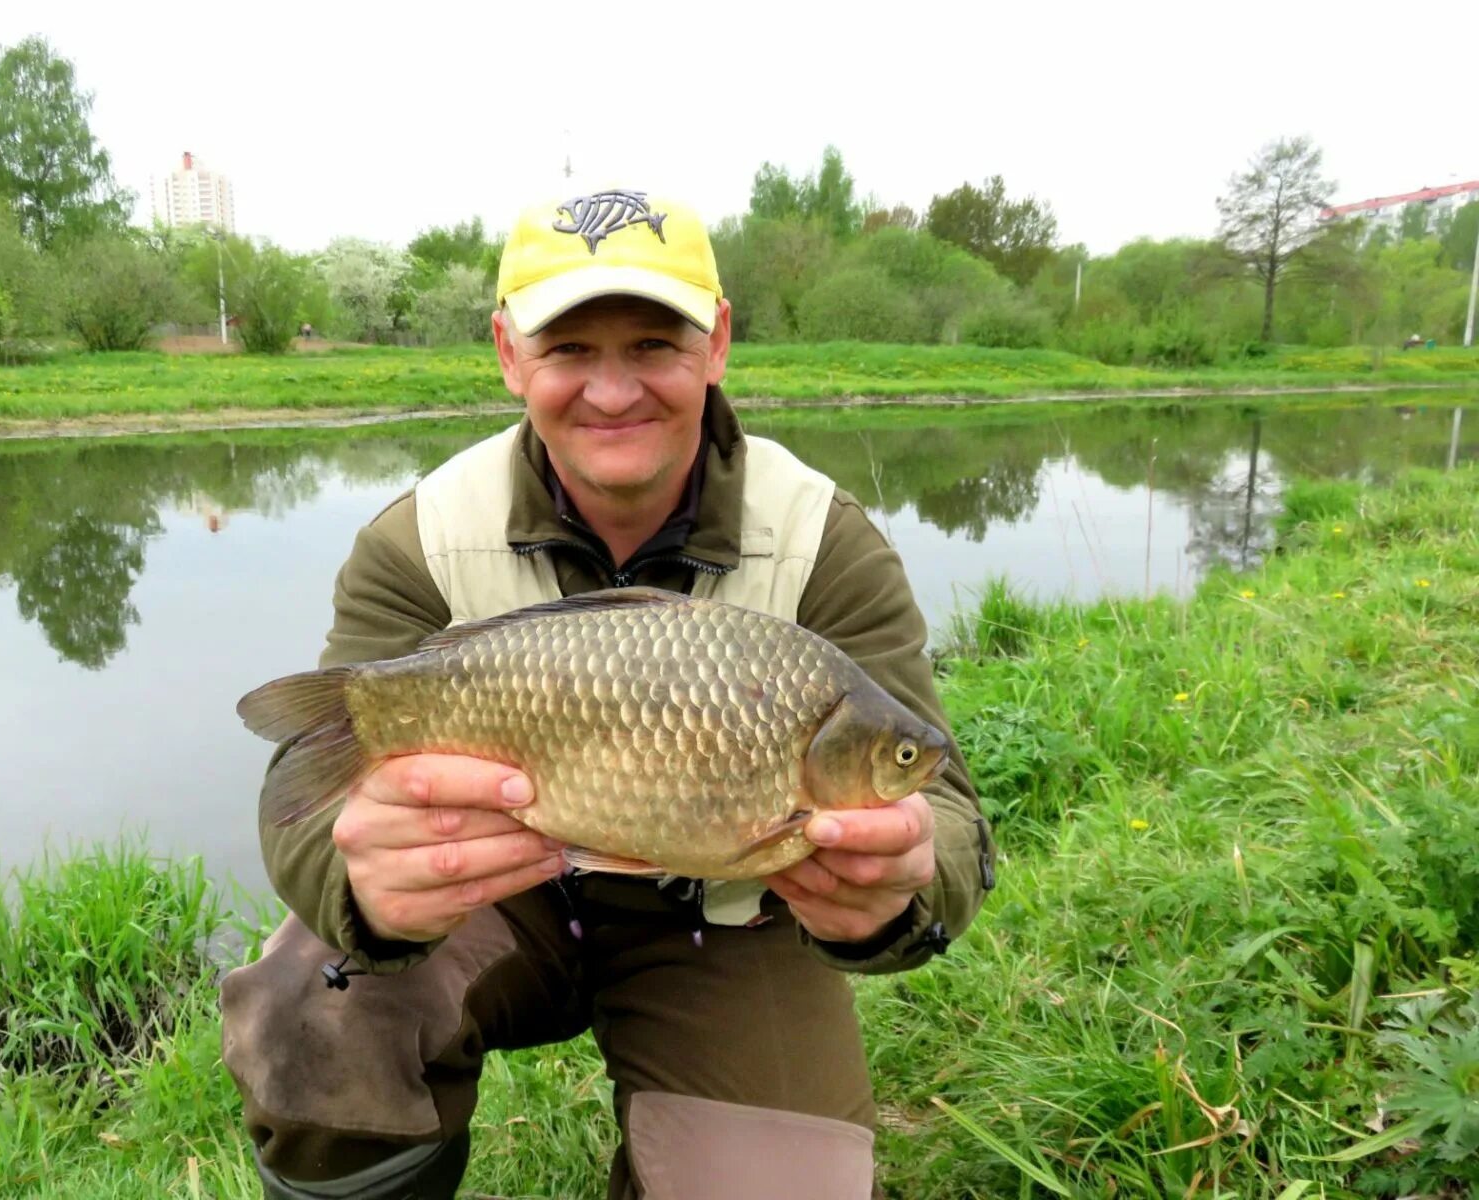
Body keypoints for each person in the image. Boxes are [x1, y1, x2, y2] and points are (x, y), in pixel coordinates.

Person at [220, 188, 996, 1200]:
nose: (613, 390)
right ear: (509, 354)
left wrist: (900, 889)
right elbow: (307, 804)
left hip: (733, 918)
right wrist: (363, 888)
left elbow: (947, 816)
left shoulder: (824, 541)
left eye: (653, 345)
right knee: (307, 1015)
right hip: (498, 898)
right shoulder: (417, 539)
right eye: (570, 349)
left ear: (716, 344)